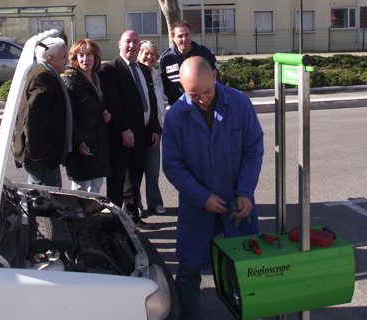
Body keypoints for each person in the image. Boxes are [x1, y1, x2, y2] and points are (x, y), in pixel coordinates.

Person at [162, 56, 264, 320]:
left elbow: (253, 150)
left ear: (216, 76)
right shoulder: (175, 116)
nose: (203, 100)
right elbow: (172, 165)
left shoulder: (240, 103)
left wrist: (245, 191)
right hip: (198, 208)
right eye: (193, 95)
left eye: (206, 91)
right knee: (188, 271)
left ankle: (252, 314)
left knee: (246, 269)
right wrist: (201, 197)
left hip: (236, 205)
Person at [100, 30, 160, 230]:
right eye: (128, 42)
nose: (132, 46)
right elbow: (112, 102)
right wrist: (124, 129)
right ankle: (115, 221)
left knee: (135, 177)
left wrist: (153, 128)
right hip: (121, 136)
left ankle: (133, 216)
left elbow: (150, 99)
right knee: (117, 180)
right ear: (119, 44)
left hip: (142, 134)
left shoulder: (144, 69)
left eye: (135, 42)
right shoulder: (109, 69)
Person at [12, 36, 72, 187]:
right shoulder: (44, 76)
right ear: (51, 58)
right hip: (41, 156)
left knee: (38, 195)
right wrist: (37, 154)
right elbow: (33, 118)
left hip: (42, 154)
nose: (67, 59)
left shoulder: (42, 72)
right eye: (64, 55)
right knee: (46, 199)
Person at [62, 39, 111, 194]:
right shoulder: (71, 81)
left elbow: (99, 105)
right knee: (80, 189)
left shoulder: (98, 78)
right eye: (80, 55)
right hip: (82, 145)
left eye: (89, 54)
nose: (85, 59)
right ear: (75, 58)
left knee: (95, 187)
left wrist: (106, 114)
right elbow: (69, 117)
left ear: (95, 56)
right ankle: (78, 217)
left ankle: (91, 217)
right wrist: (78, 142)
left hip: (98, 142)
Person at [159, 20, 220, 106]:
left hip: (203, 106)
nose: (184, 39)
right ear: (172, 37)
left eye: (187, 34)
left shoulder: (205, 54)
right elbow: (163, 85)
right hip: (178, 107)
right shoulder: (166, 59)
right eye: (180, 36)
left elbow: (216, 80)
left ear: (191, 33)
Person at [137, 40, 166, 215]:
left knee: (153, 169)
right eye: (146, 53)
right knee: (136, 170)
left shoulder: (157, 75)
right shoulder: (134, 74)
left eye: (152, 54)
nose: (149, 57)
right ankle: (136, 205)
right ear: (139, 55)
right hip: (139, 127)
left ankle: (155, 202)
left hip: (156, 127)